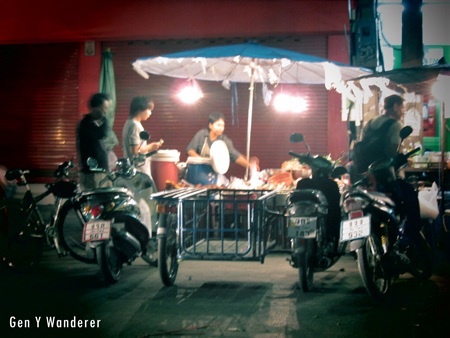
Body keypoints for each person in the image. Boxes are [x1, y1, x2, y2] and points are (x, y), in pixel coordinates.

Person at [356, 95, 422, 256]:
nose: (403, 111)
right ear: (395, 106)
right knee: (411, 200)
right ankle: (407, 239)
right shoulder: (395, 125)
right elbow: (394, 152)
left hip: (366, 178)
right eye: (402, 108)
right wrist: (404, 158)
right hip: (387, 178)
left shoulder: (370, 124)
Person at [186, 112, 259, 171]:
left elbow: (235, 155)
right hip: (197, 170)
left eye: (223, 126)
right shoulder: (201, 134)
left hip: (214, 171)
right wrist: (202, 161)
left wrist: (250, 166)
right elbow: (190, 150)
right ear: (210, 125)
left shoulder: (224, 140)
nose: (221, 128)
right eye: (218, 125)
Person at [76, 93, 112, 191]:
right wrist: (103, 121)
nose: (105, 111)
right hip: (91, 171)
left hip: (103, 168)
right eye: (104, 107)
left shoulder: (102, 121)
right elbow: (99, 135)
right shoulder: (85, 124)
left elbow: (103, 134)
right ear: (96, 107)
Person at [122, 96, 162, 178]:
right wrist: (151, 146)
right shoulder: (134, 125)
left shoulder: (129, 122)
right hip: (138, 172)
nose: (150, 113)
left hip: (133, 170)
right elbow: (134, 150)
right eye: (149, 110)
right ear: (140, 110)